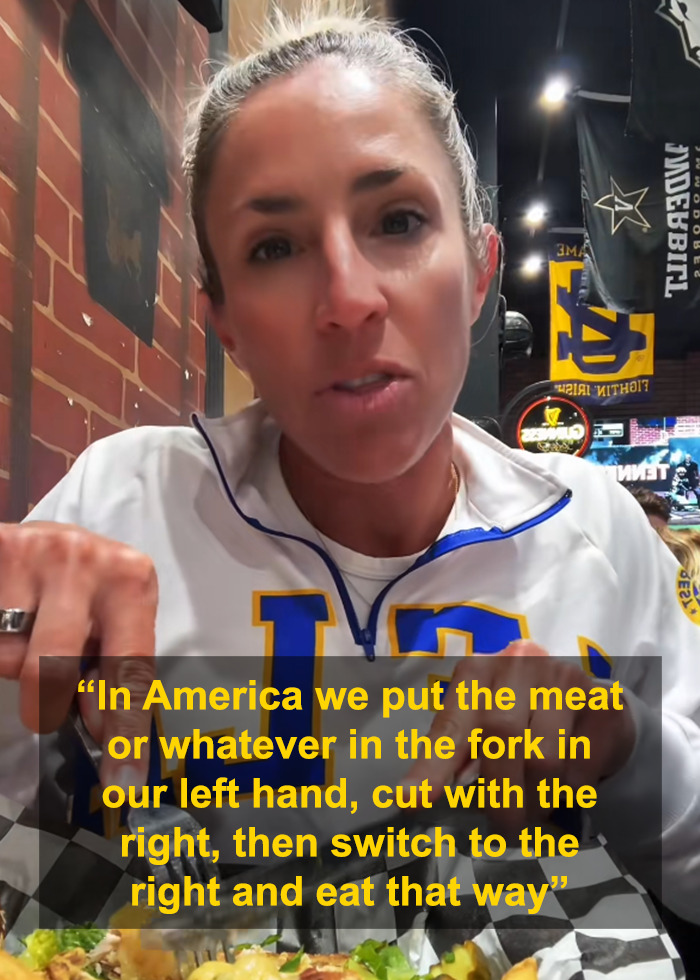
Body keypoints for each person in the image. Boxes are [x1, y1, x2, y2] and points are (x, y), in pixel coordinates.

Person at [0, 4, 698, 928]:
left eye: (399, 220)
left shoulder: (595, 530)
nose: (347, 299)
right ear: (226, 321)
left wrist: (623, 746)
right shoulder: (122, 502)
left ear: (482, 270)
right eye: (274, 247)